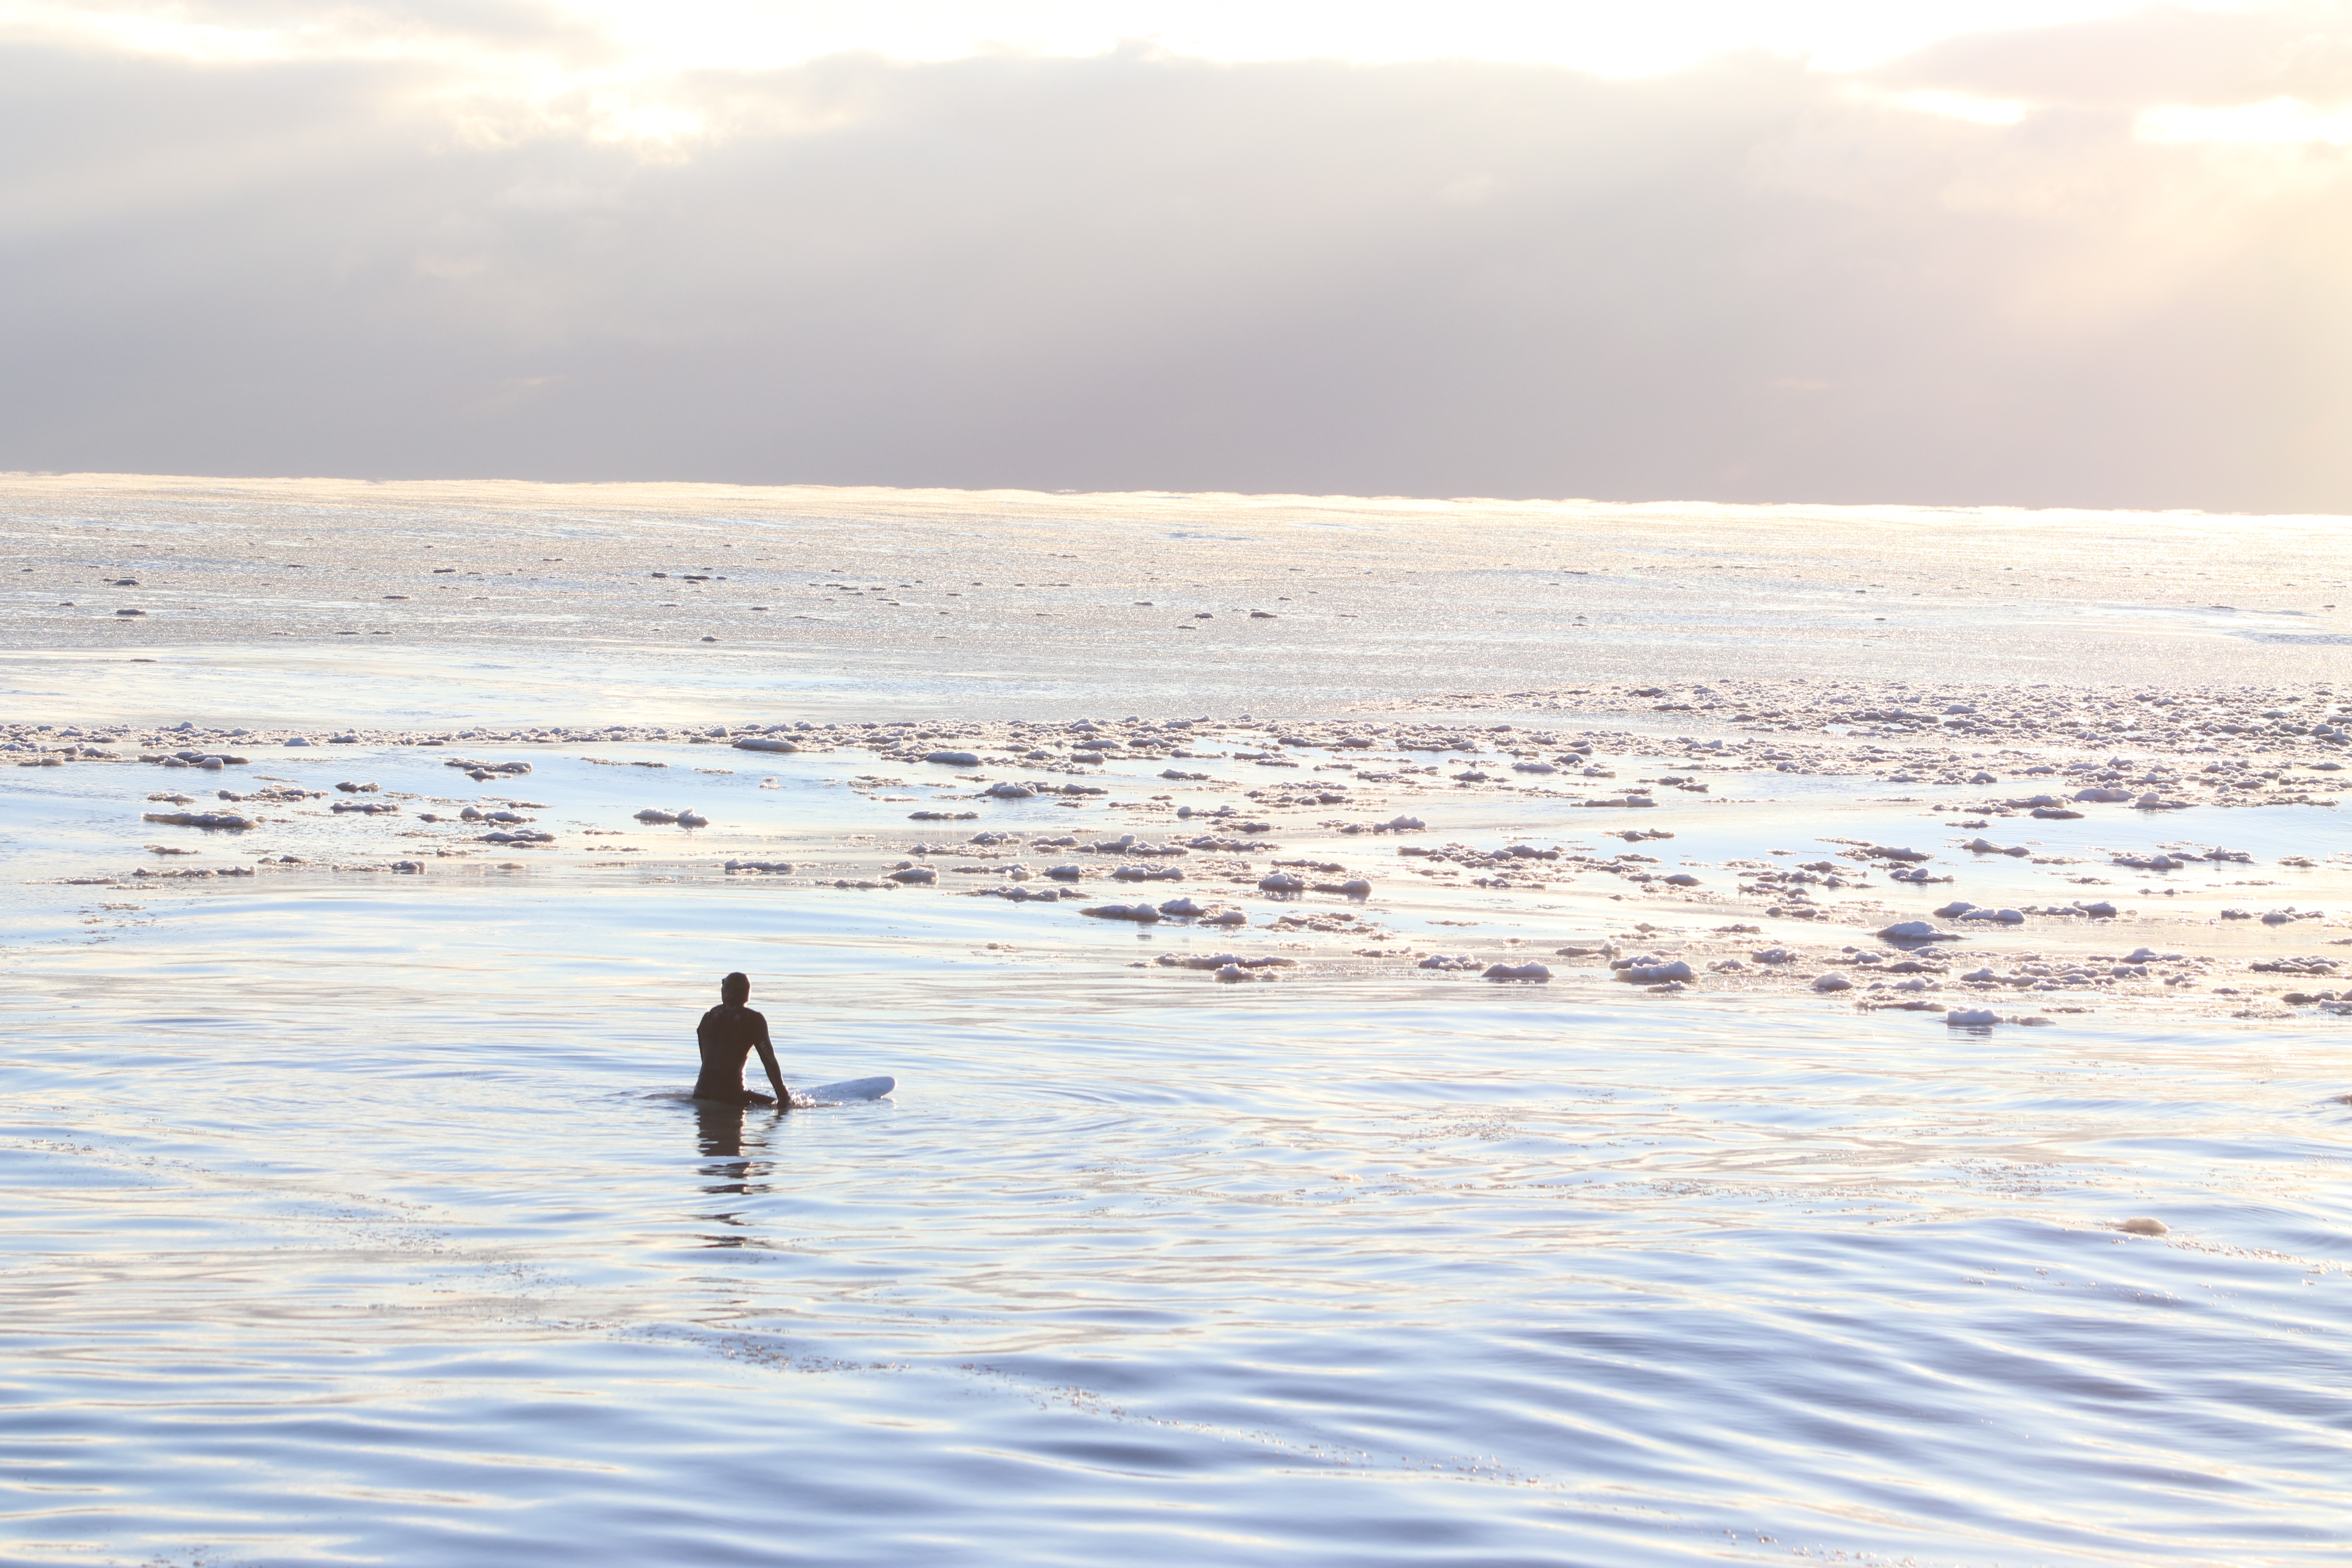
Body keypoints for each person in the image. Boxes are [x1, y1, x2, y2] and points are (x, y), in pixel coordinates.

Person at [694, 971, 790, 1107]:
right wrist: (784, 1097)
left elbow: (707, 1059)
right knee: (776, 1104)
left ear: (725, 992)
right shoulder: (753, 1020)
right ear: (747, 993)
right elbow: (769, 1061)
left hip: (701, 1094)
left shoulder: (708, 1019)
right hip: (732, 1097)